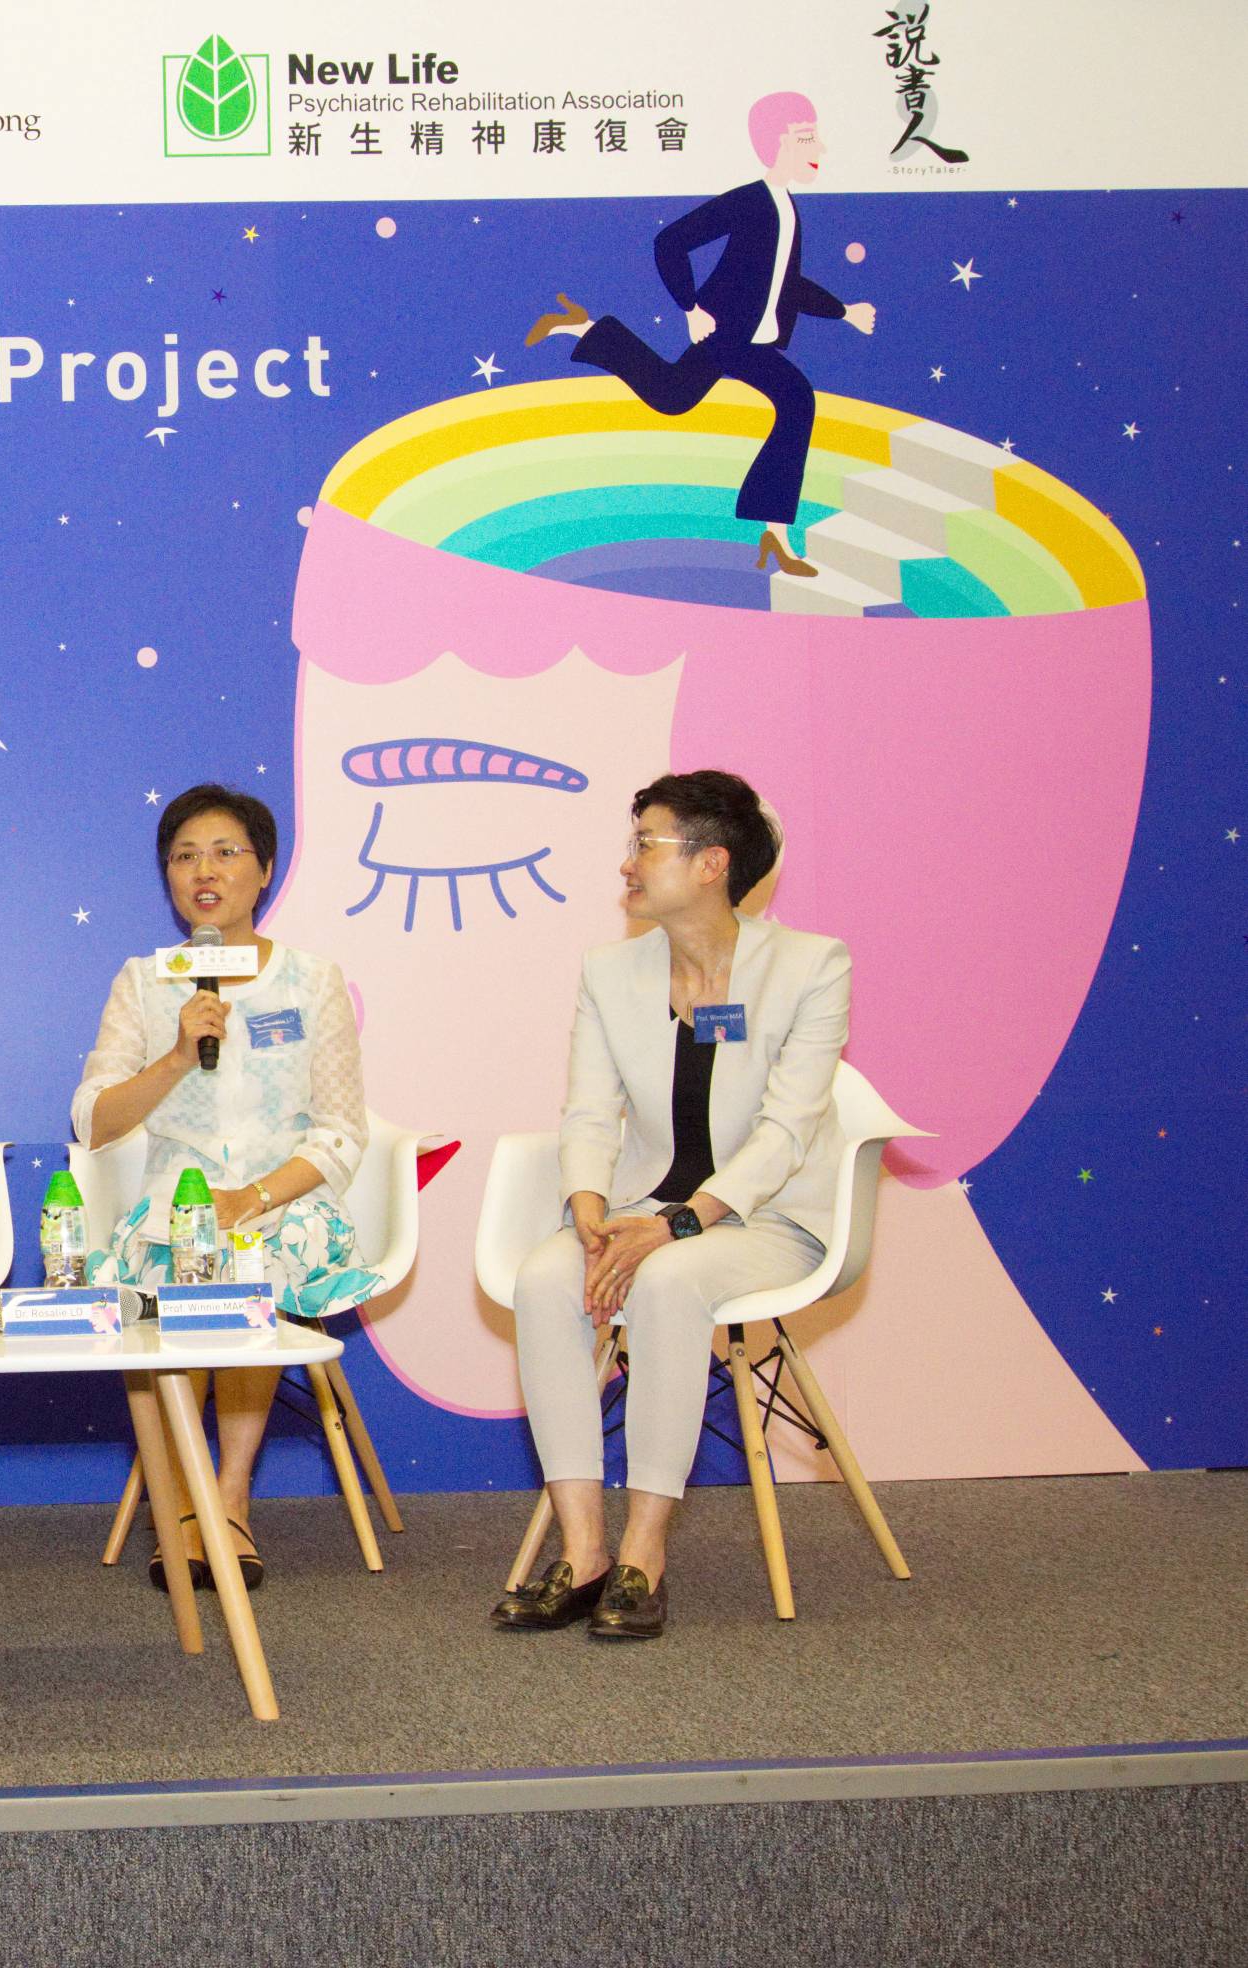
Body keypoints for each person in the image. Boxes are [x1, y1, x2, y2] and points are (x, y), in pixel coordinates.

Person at [493, 770, 848, 1640]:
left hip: (772, 1219)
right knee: (544, 1281)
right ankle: (583, 1551)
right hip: (645, 1205)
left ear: (711, 863)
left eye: (644, 844)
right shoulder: (611, 973)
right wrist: (584, 1204)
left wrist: (683, 1222)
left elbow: (787, 1131)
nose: (626, 865)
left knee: (666, 1283)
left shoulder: (810, 966)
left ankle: (646, 1552)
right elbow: (588, 1111)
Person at [71, 785, 382, 1592]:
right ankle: (180, 1507)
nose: (203, 870)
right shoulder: (144, 982)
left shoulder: (313, 980)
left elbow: (342, 1134)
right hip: (178, 1203)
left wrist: (257, 1197)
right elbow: (94, 1122)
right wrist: (177, 1055)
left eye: (225, 852)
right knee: (185, 1254)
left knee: (247, 1259)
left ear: (265, 870)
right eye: (183, 856)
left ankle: (230, 1499)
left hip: (282, 1201)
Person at [524, 92, 878, 578]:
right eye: (806, 136)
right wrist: (689, 307)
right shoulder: (750, 201)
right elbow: (670, 241)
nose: (819, 145)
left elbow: (788, 284)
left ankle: (585, 326)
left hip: (745, 337)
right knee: (796, 399)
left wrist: (843, 312)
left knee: (673, 395)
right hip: (726, 333)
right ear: (777, 143)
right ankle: (774, 533)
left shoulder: (787, 208)